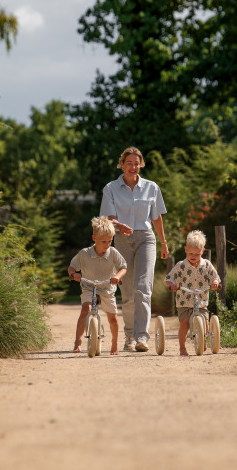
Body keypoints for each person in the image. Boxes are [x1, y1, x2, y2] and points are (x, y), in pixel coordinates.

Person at [100, 146, 168, 352]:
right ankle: (129, 337)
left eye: (136, 163)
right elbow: (108, 218)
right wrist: (119, 226)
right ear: (121, 164)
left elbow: (156, 217)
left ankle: (142, 337)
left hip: (146, 238)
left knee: (143, 287)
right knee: (128, 291)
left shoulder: (152, 187)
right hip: (121, 239)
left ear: (141, 165)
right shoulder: (110, 188)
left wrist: (164, 243)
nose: (133, 166)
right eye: (128, 163)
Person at [68, 216, 127, 355]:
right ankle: (78, 342)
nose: (107, 244)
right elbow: (71, 267)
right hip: (89, 286)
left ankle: (114, 344)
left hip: (107, 288)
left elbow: (123, 267)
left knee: (113, 318)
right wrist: (73, 275)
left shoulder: (113, 252)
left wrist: (117, 277)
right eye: (104, 242)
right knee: (85, 309)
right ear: (94, 238)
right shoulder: (84, 253)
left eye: (110, 241)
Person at [164, 230, 220, 356]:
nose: (193, 256)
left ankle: (202, 341)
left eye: (197, 254)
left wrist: (215, 282)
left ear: (202, 251)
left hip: (201, 301)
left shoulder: (207, 265)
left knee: (205, 322)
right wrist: (172, 285)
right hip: (184, 301)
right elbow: (169, 278)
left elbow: (214, 276)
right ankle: (182, 348)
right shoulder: (181, 266)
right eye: (190, 253)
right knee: (184, 324)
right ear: (185, 249)